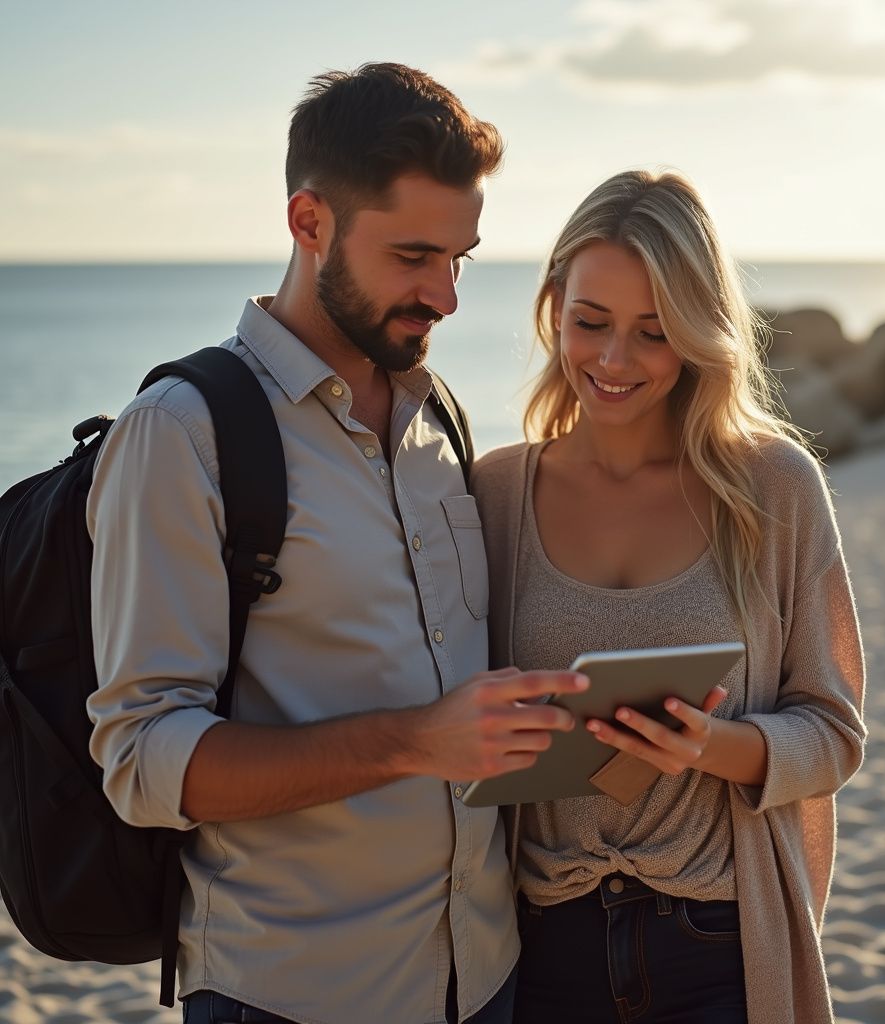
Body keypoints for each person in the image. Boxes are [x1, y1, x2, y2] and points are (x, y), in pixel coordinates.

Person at [86, 63, 587, 1024]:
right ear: (308, 223)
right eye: (413, 256)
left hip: (485, 978)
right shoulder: (181, 433)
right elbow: (144, 761)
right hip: (294, 997)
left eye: (460, 259)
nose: (445, 296)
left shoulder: (437, 412)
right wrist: (414, 743)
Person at [471, 170, 867, 1024]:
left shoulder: (772, 488)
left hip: (719, 946)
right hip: (539, 951)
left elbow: (835, 735)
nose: (614, 361)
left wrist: (711, 747)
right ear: (553, 308)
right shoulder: (492, 494)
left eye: (653, 332)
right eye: (591, 323)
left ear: (698, 333)